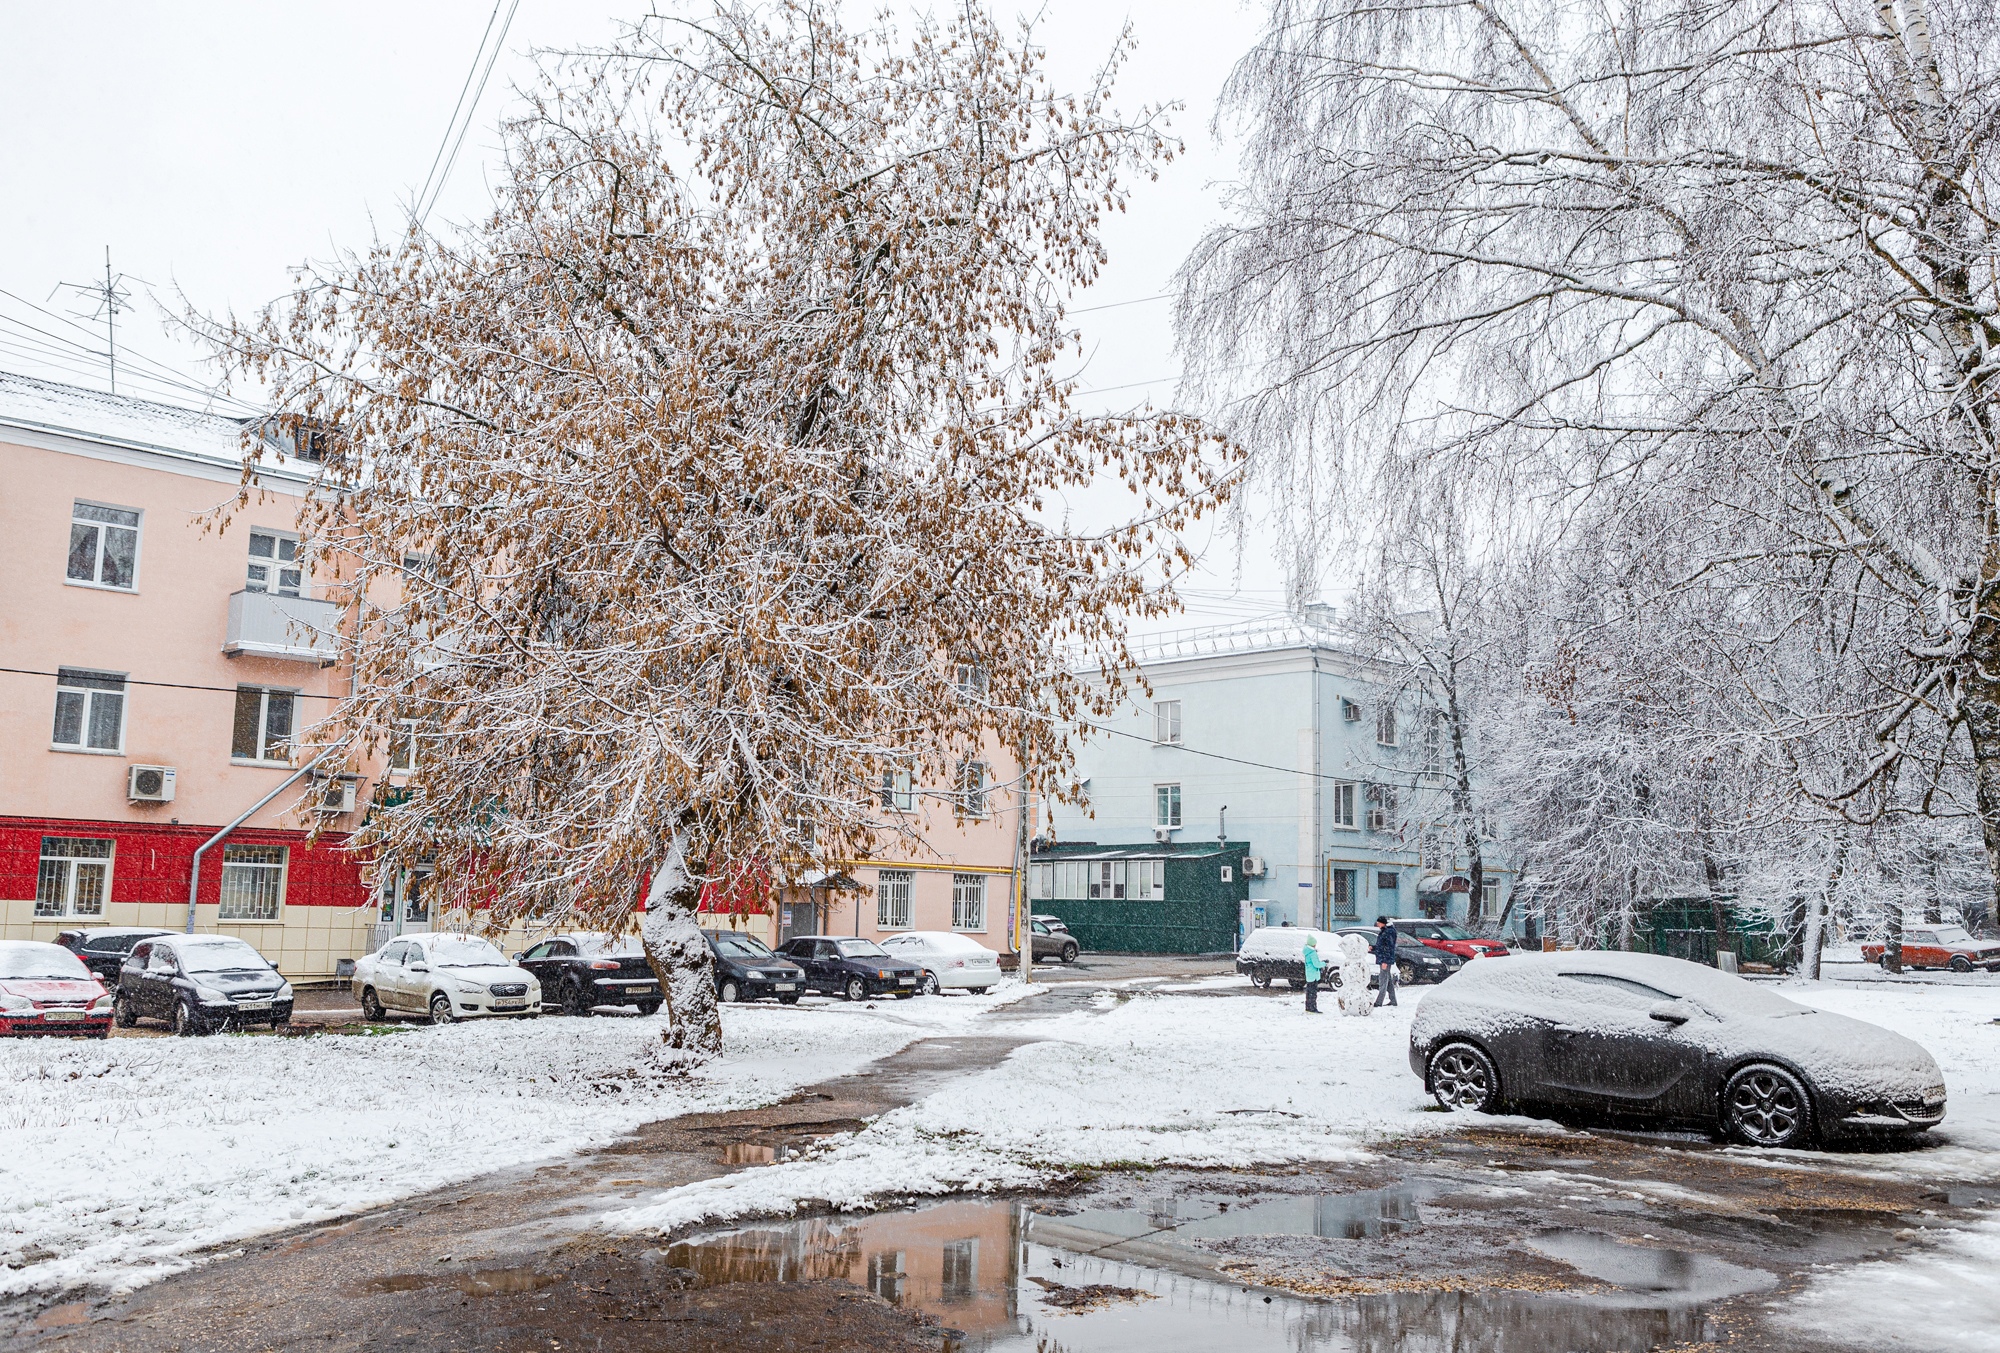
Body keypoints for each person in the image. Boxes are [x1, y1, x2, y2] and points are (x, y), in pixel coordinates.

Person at [1373, 915, 1400, 1008]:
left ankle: (1379, 1002)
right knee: (1388, 981)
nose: (1377, 924)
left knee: (1383, 980)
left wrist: (1385, 961)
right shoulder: (1385, 931)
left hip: (1385, 960)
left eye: (1378, 923)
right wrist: (1373, 948)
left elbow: (1388, 948)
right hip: (1384, 959)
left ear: (1382, 923)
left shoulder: (1388, 932)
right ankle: (1393, 1000)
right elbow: (1381, 946)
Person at [1302, 933, 1324, 1013]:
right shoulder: (1312, 953)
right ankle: (1313, 1008)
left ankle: (1308, 1007)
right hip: (1314, 975)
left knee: (1309, 992)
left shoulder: (1307, 952)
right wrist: (1323, 963)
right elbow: (1316, 964)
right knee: (1313, 993)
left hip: (1309, 974)